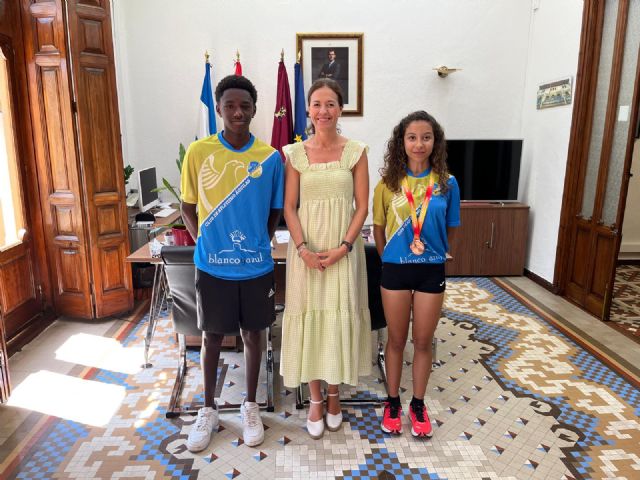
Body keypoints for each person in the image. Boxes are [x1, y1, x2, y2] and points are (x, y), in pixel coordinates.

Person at [180, 75, 284, 452]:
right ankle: (207, 409)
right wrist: (204, 240)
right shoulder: (199, 152)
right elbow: (187, 206)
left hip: (256, 267)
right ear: (220, 109)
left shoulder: (270, 158)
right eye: (230, 106)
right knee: (210, 337)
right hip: (213, 266)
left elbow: (275, 212)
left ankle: (250, 405)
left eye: (245, 106)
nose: (238, 112)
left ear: (255, 110)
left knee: (255, 335)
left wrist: (258, 240)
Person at [280, 78, 371, 439]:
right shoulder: (295, 154)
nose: (323, 111)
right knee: (311, 320)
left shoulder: (357, 151)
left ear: (341, 108)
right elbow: (289, 206)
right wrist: (302, 249)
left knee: (336, 320)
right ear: (308, 109)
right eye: (317, 104)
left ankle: (335, 395)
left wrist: (344, 247)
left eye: (330, 104)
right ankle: (315, 399)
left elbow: (362, 206)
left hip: (343, 253)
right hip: (306, 255)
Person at [372, 110, 460, 437]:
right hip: (395, 272)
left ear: (435, 142)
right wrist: (388, 259)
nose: (419, 144)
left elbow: (452, 229)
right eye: (412, 137)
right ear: (402, 142)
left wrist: (437, 254)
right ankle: (393, 401)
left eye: (426, 137)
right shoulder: (388, 184)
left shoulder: (447, 184)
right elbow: (378, 229)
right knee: (395, 340)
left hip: (430, 272)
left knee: (422, 341)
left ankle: (417, 404)